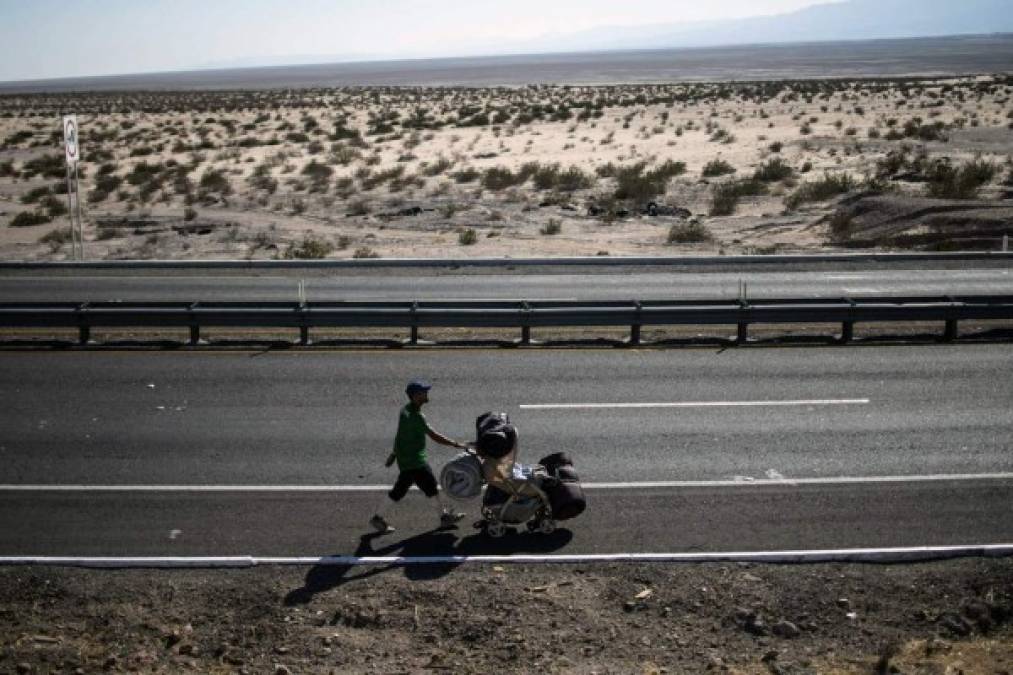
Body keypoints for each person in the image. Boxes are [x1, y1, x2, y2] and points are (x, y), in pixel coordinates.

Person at [370, 380, 468, 534]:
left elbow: (400, 434)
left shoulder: (404, 411)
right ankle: (443, 518)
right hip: (414, 461)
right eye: (423, 392)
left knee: (404, 490)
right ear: (415, 396)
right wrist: (456, 444)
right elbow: (434, 436)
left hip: (406, 459)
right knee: (425, 487)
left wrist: (394, 454)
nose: (426, 394)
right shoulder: (417, 417)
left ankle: (378, 518)